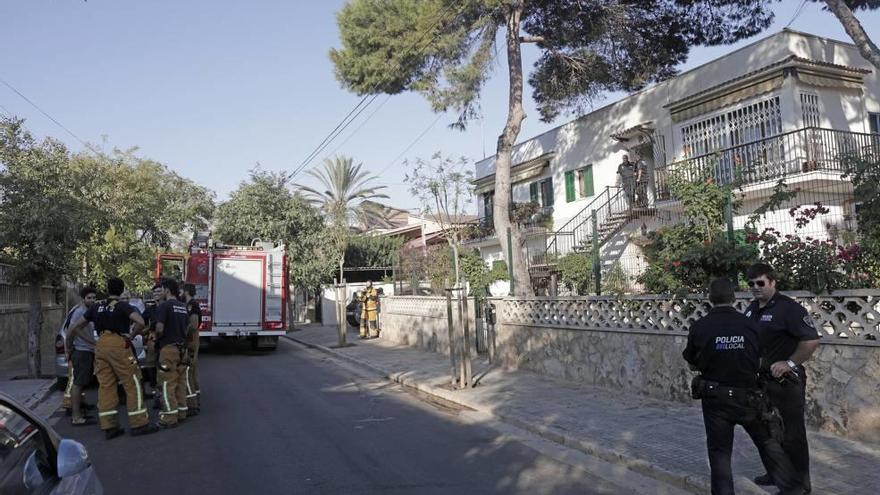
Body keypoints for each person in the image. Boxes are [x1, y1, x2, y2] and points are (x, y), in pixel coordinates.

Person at [683, 277, 804, 495]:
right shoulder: (750, 324)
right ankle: (794, 489)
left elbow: (692, 362)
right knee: (768, 443)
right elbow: (759, 358)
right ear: (733, 297)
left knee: (720, 452)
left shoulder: (700, 327)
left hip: (716, 400)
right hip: (749, 397)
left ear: (710, 298)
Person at [744, 263, 820, 493]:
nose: (755, 288)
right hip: (761, 381)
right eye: (751, 284)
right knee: (768, 431)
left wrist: (789, 363)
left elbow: (811, 341)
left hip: (786, 383)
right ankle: (776, 474)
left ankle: (800, 486)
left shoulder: (789, 309)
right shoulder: (751, 309)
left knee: (792, 434)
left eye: (760, 283)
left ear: (773, 282)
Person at [68, 278, 157, 439]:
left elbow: (75, 327)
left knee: (106, 385)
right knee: (133, 383)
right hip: (118, 344)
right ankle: (139, 423)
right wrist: (131, 334)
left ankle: (110, 426)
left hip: (101, 345)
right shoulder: (123, 306)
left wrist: (89, 342)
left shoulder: (97, 306)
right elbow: (141, 321)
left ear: (107, 290)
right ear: (121, 290)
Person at [153, 278, 191, 428]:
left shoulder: (164, 306)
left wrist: (157, 338)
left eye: (161, 289)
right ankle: (181, 412)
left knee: (167, 384)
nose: (160, 292)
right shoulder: (183, 307)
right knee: (180, 383)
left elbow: (159, 328)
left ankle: (169, 418)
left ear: (167, 290)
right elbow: (188, 329)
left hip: (168, 349)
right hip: (182, 350)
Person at [63, 286, 98, 425]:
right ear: (83, 299)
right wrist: (68, 349)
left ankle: (80, 412)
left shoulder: (88, 311)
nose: (92, 300)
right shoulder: (80, 312)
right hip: (81, 351)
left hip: (87, 351)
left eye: (94, 298)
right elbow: (71, 331)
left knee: (82, 383)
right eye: (89, 298)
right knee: (78, 384)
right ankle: (76, 417)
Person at [181, 283, 202, 414]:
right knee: (191, 371)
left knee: (189, 370)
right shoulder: (186, 305)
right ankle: (195, 399)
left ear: (186, 291)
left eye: (181, 291)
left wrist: (182, 332)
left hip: (191, 339)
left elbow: (193, 325)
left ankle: (193, 403)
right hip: (190, 338)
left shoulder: (192, 305)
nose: (179, 293)